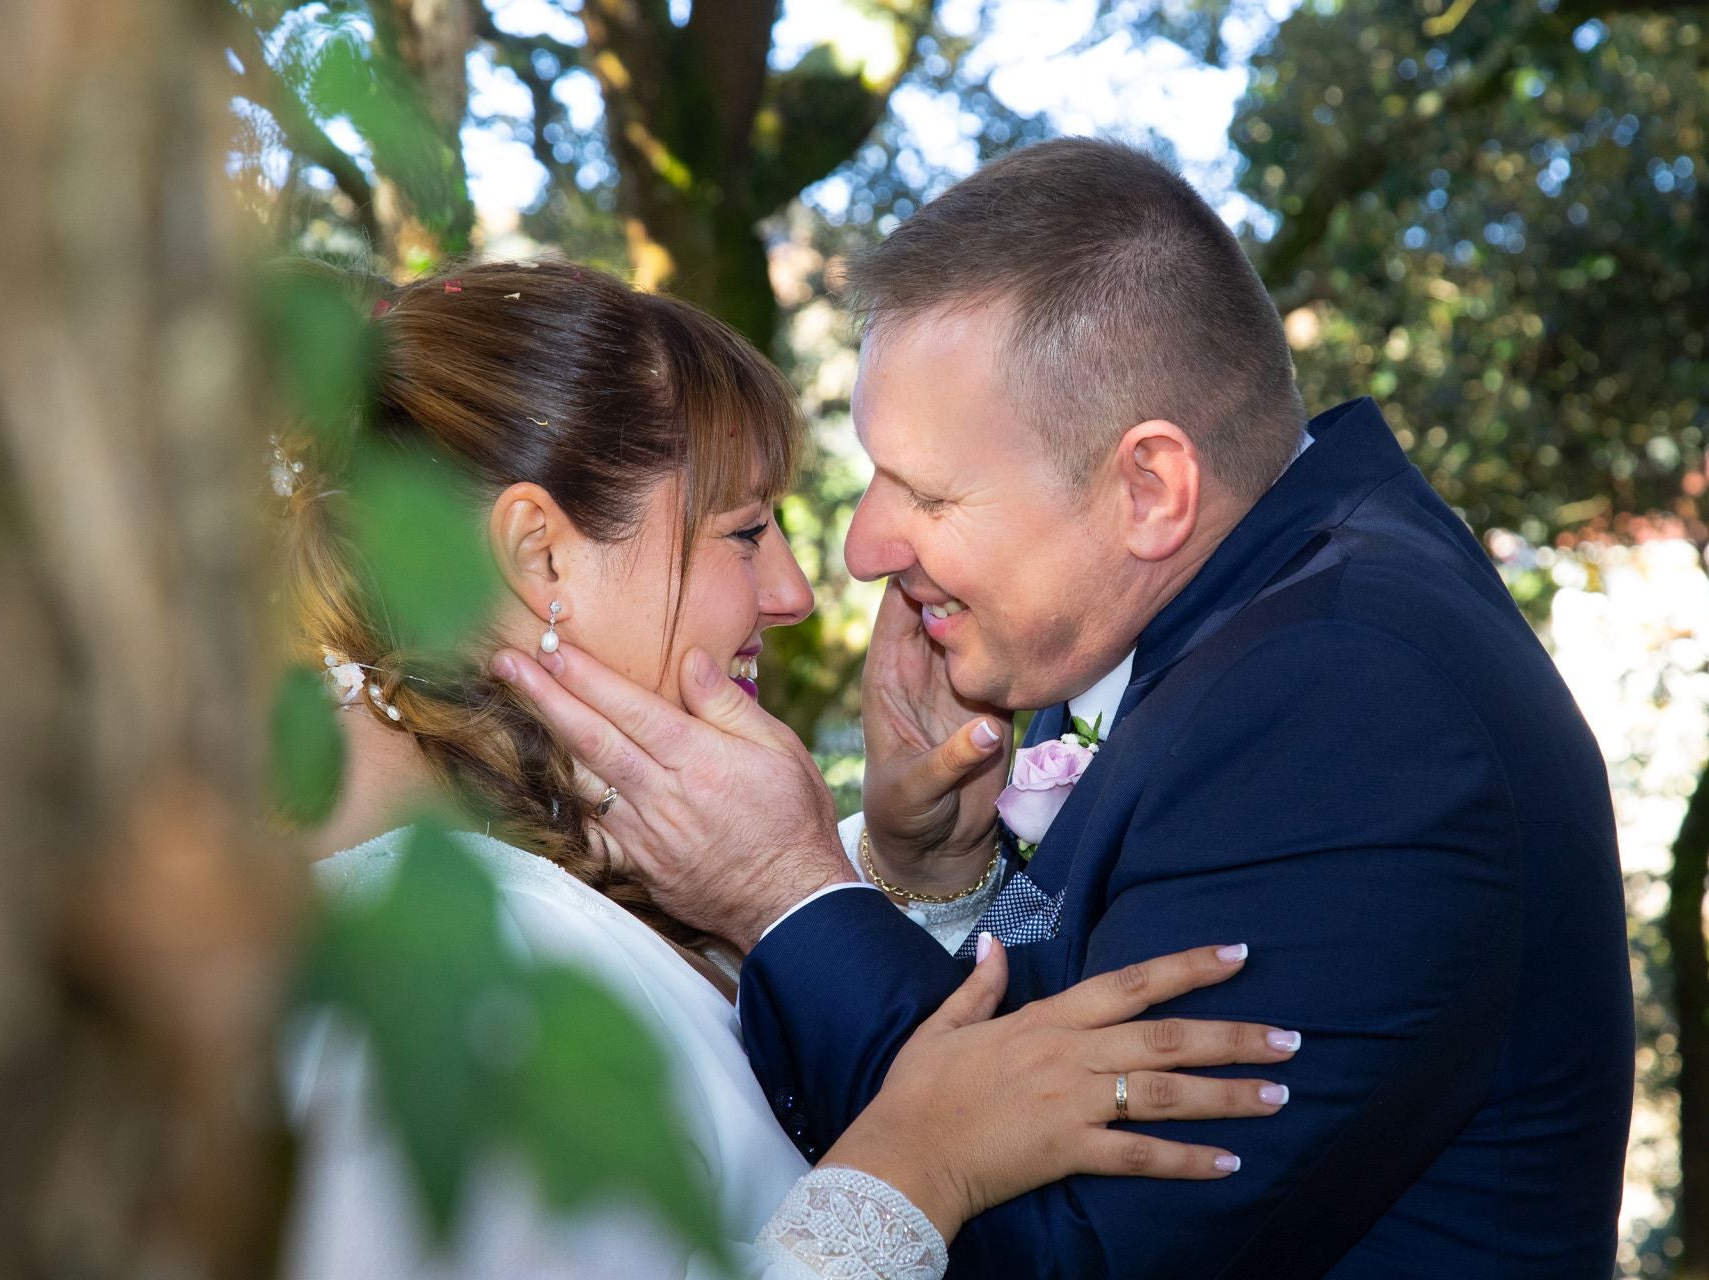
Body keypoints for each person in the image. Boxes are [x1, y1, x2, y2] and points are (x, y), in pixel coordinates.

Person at [498, 138, 1636, 1278]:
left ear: (1148, 489)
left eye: (930, 493)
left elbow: (1065, 1246)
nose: (859, 548)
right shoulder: (1194, 630)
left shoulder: (1349, 698)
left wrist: (785, 894)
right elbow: (1034, 1062)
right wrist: (933, 874)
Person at [273, 260, 1301, 1280]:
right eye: (745, 531)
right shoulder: (428, 980)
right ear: (541, 555)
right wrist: (920, 1163)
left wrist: (908, 869)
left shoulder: (519, 866)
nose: (798, 590)